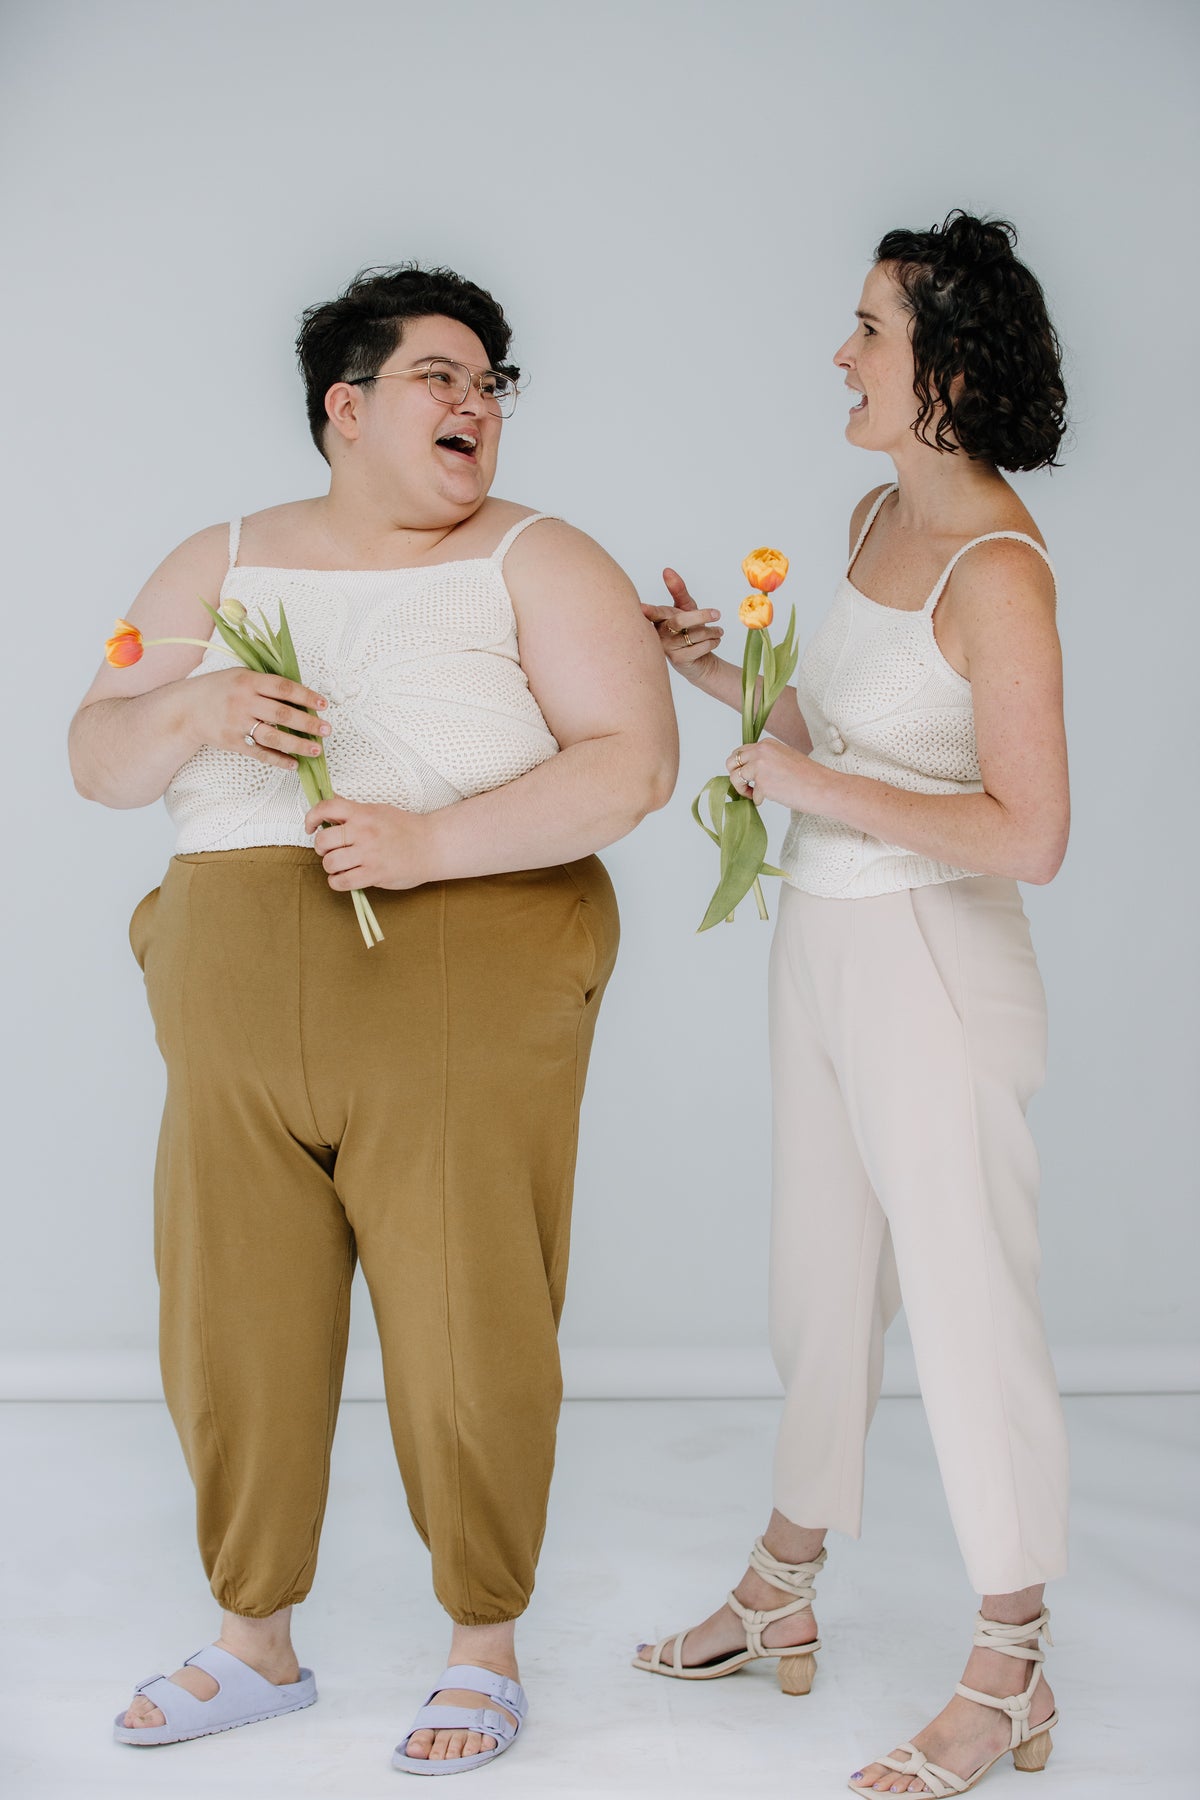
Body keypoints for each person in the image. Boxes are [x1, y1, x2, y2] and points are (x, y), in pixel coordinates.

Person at [69, 263, 677, 1775]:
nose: (479, 405)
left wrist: (426, 847)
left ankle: (484, 1640)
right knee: (231, 1314)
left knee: (470, 1314)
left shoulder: (542, 557)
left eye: (492, 383)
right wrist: (196, 712)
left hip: (460, 957)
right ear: (346, 409)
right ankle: (252, 1641)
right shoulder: (214, 558)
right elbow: (96, 747)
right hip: (230, 977)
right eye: (443, 378)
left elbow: (633, 762)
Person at [636, 212, 1070, 1798]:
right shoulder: (876, 508)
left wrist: (812, 777)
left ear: (946, 367)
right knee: (819, 1285)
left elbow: (1028, 831)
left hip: (936, 972)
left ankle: (1009, 1662)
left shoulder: (999, 571)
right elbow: (866, 740)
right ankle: (783, 1585)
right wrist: (730, 684)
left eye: (869, 330)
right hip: (819, 943)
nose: (842, 351)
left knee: (967, 1309)